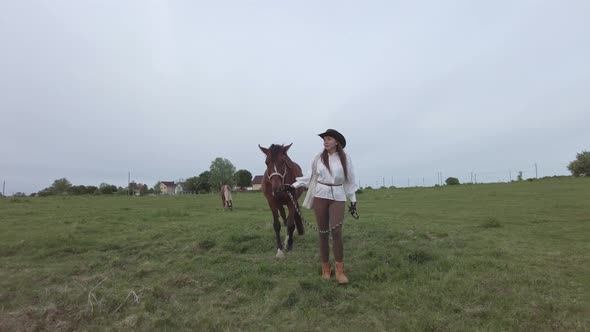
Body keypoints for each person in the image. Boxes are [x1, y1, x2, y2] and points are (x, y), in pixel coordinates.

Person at [291, 129, 358, 284]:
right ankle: (326, 269)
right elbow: (310, 176)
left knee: (336, 232)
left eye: (328, 139)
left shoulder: (345, 158)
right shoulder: (318, 158)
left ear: (336, 142)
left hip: (338, 196)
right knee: (322, 233)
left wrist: (353, 200)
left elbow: (350, 180)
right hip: (320, 195)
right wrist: (294, 185)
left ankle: (340, 271)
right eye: (324, 139)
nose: (325, 141)